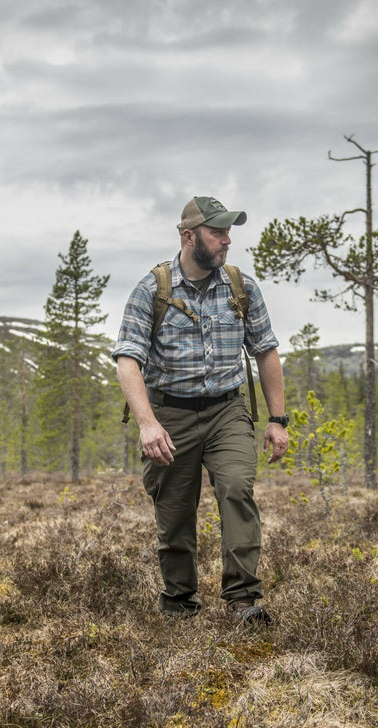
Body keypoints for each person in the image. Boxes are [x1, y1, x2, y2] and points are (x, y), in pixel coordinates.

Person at [113, 195, 289, 625]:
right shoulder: (151, 290)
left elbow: (266, 351)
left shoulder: (241, 287)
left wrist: (277, 420)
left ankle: (244, 601)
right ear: (189, 237)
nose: (227, 240)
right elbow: (127, 360)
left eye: (229, 232)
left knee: (236, 489)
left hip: (228, 412)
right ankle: (179, 602)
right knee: (174, 510)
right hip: (170, 414)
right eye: (218, 232)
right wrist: (148, 424)